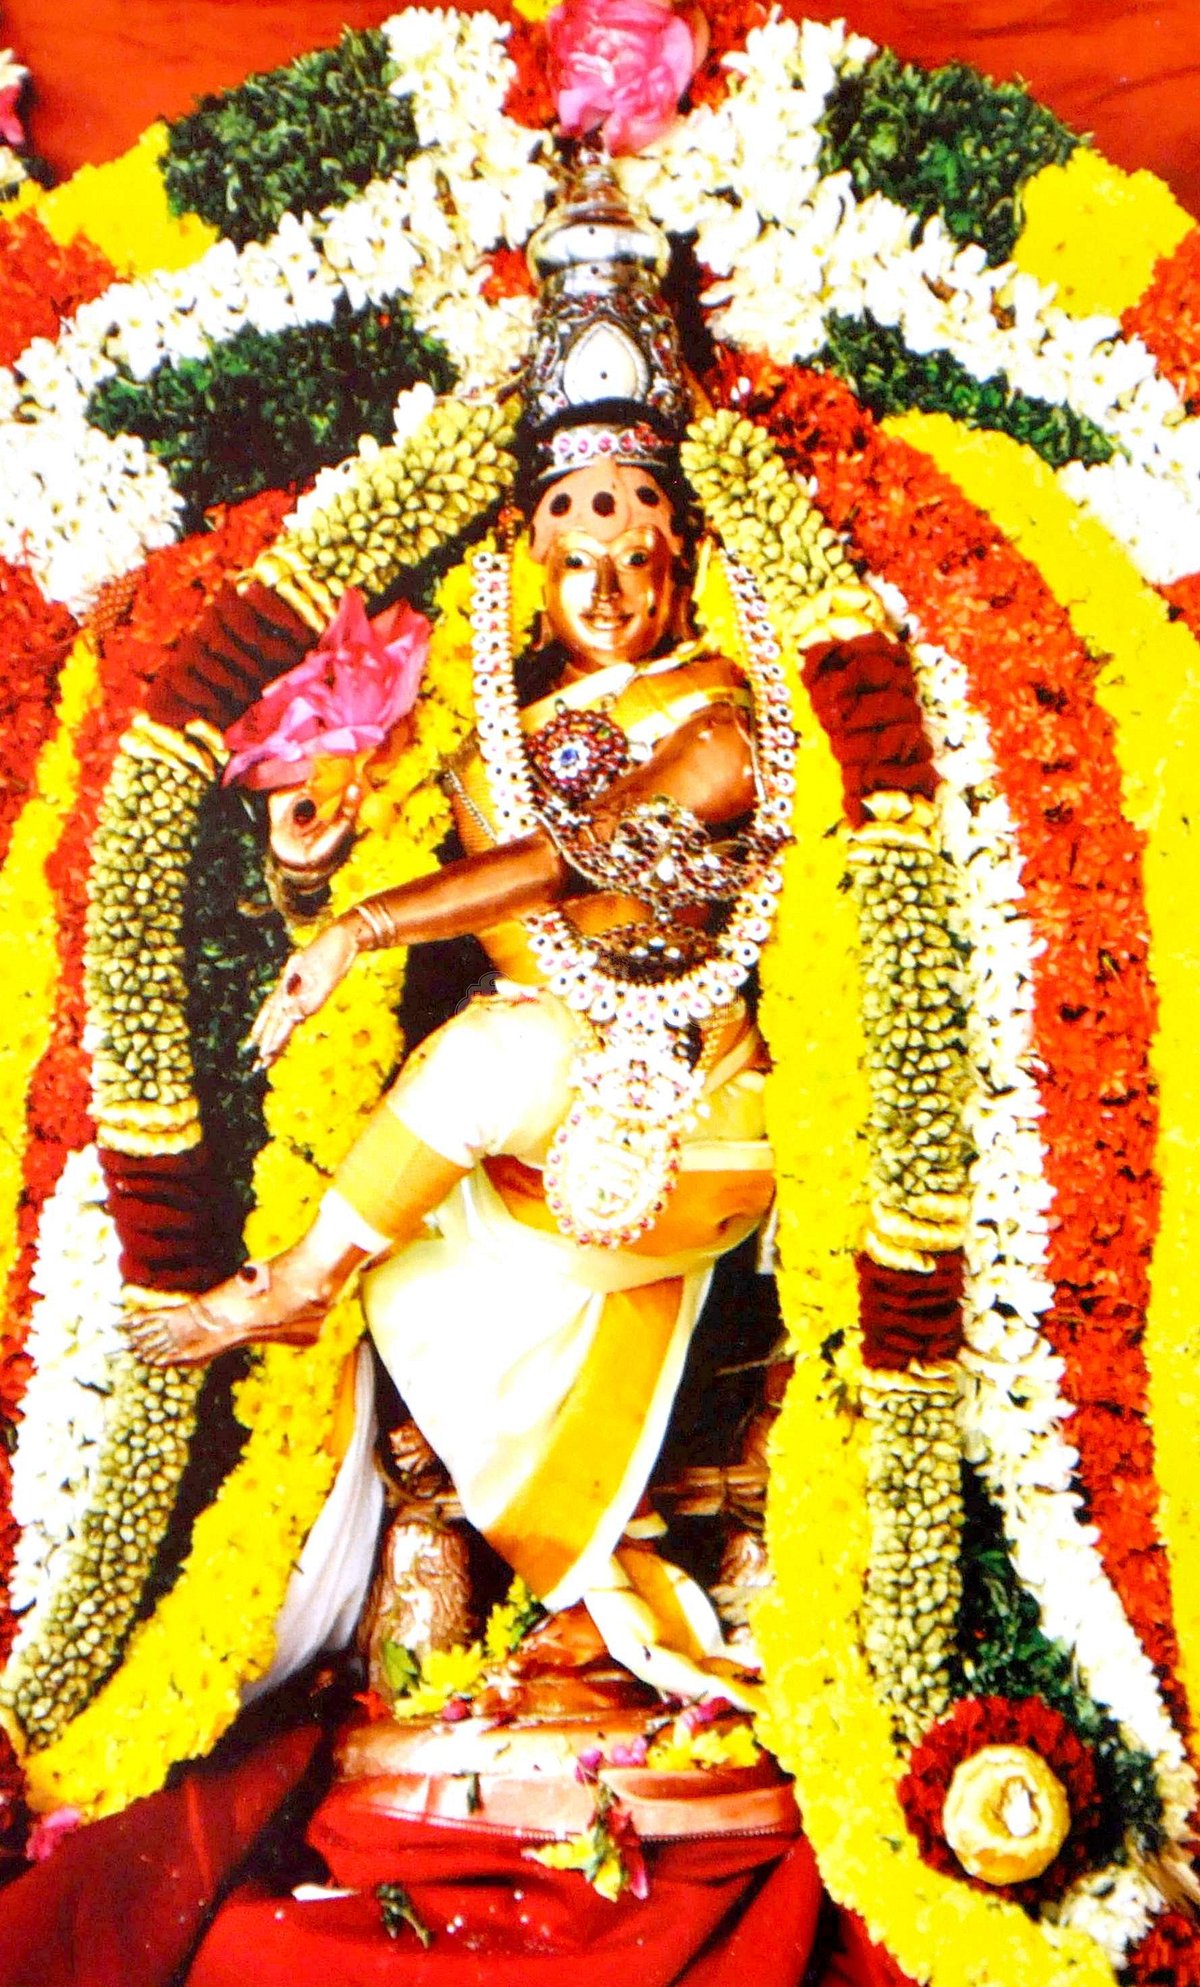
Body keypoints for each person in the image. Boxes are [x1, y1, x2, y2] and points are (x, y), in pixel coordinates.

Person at [124, 153, 788, 1710]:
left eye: (638, 550)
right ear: (530, 561)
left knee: (506, 1049)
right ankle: (592, 1575)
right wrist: (312, 871)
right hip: (539, 1142)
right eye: (579, 552)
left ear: (683, 558)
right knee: (413, 1285)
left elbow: (568, 869)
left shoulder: (724, 719)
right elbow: (408, 906)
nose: (609, 583)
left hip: (698, 1114)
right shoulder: (484, 732)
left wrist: (364, 923)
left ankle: (285, 1281)